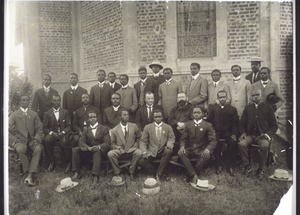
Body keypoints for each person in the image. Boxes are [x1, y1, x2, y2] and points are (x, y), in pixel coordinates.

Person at [238, 88, 278, 180]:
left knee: (264, 146)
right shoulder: (248, 108)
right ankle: (247, 166)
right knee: (241, 144)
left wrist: (267, 135)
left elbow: (274, 126)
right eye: (253, 96)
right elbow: (242, 123)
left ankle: (261, 168)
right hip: (250, 135)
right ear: (251, 97)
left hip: (262, 136)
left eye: (257, 95)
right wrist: (243, 132)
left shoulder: (267, 107)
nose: (255, 97)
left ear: (261, 96)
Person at [9, 95, 43, 186]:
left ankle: (30, 174)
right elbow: (6, 129)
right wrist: (15, 140)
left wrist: (36, 139)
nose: (25, 102)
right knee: (20, 149)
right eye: (23, 100)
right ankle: (27, 172)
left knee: (38, 149)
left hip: (32, 141)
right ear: (20, 101)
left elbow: (39, 129)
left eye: (27, 100)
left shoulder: (34, 114)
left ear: (29, 102)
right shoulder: (14, 115)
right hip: (20, 141)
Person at [72, 110, 111, 188]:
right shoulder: (86, 130)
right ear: (88, 119)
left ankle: (95, 176)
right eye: (90, 117)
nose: (92, 119)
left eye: (94, 117)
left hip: (101, 152)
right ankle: (76, 172)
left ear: (97, 118)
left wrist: (98, 147)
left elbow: (107, 143)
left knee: (97, 152)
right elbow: (81, 142)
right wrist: (88, 148)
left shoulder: (104, 128)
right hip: (90, 152)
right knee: (75, 149)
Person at [178, 106, 217, 184]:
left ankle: (190, 175)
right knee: (180, 153)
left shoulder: (208, 125)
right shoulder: (188, 124)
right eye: (194, 113)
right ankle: (194, 175)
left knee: (206, 156)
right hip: (190, 150)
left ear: (202, 114)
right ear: (192, 114)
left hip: (201, 150)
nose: (196, 114)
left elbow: (213, 140)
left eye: (198, 113)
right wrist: (182, 147)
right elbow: (183, 139)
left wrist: (207, 149)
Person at [207, 90, 239, 176]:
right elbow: (209, 122)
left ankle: (230, 165)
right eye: (220, 97)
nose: (222, 99)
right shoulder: (213, 109)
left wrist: (234, 134)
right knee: (215, 143)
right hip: (216, 132)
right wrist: (212, 132)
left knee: (233, 143)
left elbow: (236, 124)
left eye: (224, 97)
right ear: (217, 99)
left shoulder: (232, 109)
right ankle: (218, 164)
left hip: (228, 132)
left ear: (227, 98)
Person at [138, 109, 175, 183]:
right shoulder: (147, 127)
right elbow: (143, 141)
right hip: (152, 151)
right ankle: (158, 174)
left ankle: (158, 174)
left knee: (168, 151)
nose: (158, 118)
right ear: (153, 118)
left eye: (159, 116)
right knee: (141, 161)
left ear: (162, 117)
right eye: (156, 117)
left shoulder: (168, 127)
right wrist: (144, 151)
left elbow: (171, 138)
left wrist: (168, 146)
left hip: (163, 150)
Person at [108, 110, 142, 182]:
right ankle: (117, 172)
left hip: (131, 149)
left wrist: (135, 146)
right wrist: (119, 148)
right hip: (120, 151)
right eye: (124, 115)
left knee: (139, 152)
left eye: (127, 115)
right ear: (120, 117)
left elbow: (139, 138)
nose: (127, 116)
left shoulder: (134, 126)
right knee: (110, 154)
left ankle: (132, 172)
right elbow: (112, 144)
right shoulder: (114, 130)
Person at [42, 95, 72, 173]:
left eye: (58, 100)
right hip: (53, 134)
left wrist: (62, 132)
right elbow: (44, 127)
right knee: (47, 140)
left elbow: (69, 126)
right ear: (52, 101)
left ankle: (67, 163)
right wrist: (52, 133)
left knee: (66, 140)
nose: (56, 102)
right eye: (54, 100)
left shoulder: (65, 112)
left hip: (63, 134)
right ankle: (52, 161)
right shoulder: (47, 113)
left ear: (60, 101)